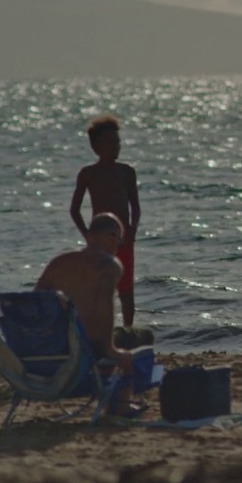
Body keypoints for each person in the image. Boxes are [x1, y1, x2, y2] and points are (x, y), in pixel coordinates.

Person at [36, 213, 153, 410]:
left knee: (99, 339)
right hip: (87, 348)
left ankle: (107, 388)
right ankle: (121, 403)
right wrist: (109, 348)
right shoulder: (108, 265)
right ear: (110, 237)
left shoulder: (59, 263)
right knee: (142, 336)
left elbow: (35, 302)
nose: (118, 246)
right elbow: (104, 303)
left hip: (55, 347)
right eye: (118, 240)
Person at [70, 114, 141, 326]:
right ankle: (101, 331)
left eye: (117, 142)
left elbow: (135, 207)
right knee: (101, 289)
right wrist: (88, 235)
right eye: (110, 142)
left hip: (123, 239)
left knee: (126, 290)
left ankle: (128, 331)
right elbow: (74, 210)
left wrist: (132, 230)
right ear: (96, 146)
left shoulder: (126, 172)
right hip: (99, 242)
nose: (116, 146)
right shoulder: (89, 174)